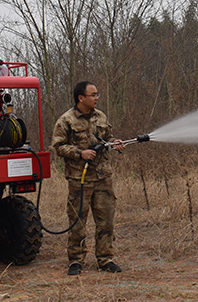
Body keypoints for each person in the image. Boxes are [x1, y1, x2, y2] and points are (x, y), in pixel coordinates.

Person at [51, 81, 125, 276]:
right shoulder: (66, 120)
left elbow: (108, 138)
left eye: (97, 94)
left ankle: (105, 259)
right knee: (77, 222)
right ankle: (76, 261)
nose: (96, 97)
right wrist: (79, 153)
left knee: (106, 220)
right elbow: (58, 147)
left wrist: (114, 143)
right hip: (79, 180)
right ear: (80, 98)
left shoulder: (101, 117)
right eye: (92, 95)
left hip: (103, 178)